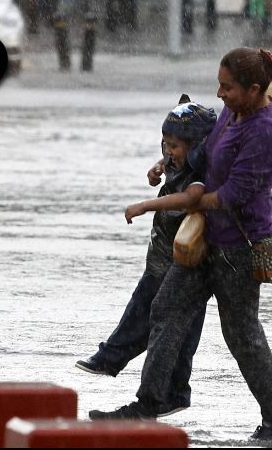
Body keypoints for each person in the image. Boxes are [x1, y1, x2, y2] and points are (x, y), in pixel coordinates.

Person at [89, 48, 272, 442]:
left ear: (254, 89)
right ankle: (149, 404)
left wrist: (171, 200)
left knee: (243, 337)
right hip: (203, 240)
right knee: (166, 308)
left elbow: (231, 195)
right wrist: (167, 164)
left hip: (239, 247)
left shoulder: (265, 130)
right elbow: (203, 154)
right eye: (219, 85)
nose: (220, 94)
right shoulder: (233, 112)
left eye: (228, 88)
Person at [76, 96, 217, 417]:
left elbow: (191, 197)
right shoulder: (177, 161)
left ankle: (156, 384)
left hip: (182, 262)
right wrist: (158, 168)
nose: (169, 152)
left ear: (196, 147)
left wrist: (145, 205)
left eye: (176, 147)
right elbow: (168, 165)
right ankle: (117, 359)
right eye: (165, 145)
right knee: (149, 311)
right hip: (161, 255)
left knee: (169, 323)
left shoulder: (200, 173)